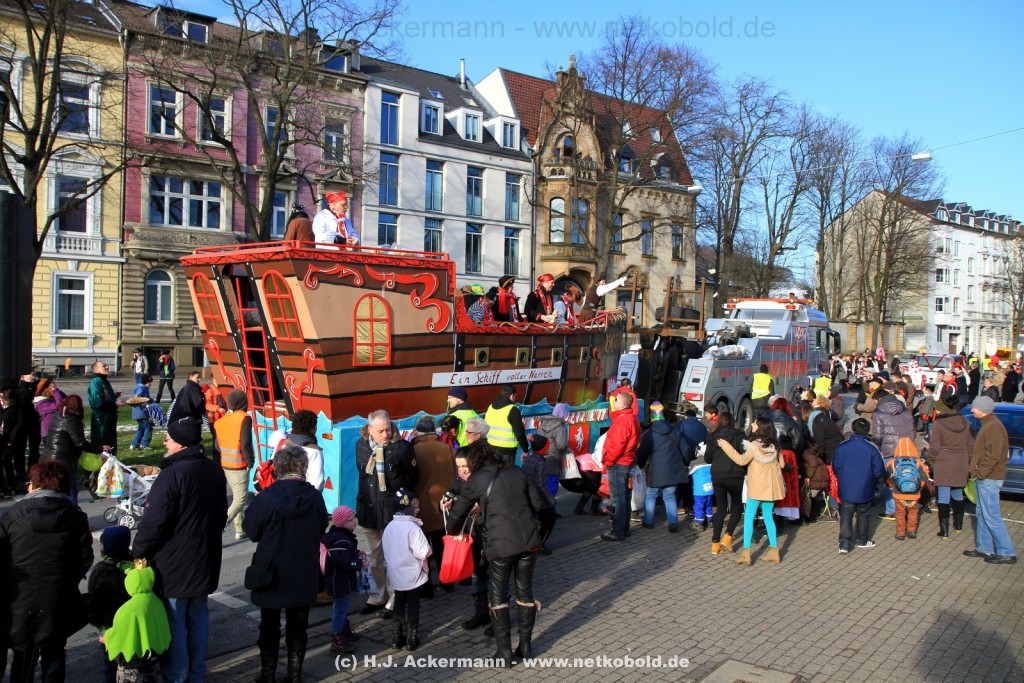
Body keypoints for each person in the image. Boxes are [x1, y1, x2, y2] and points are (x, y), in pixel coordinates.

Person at [132, 416, 228, 683]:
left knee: (175, 622)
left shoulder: (172, 474)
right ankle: (195, 673)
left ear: (181, 444)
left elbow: (154, 522)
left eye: (168, 438)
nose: (165, 442)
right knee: (198, 619)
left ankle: (177, 675)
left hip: (175, 562)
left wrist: (139, 551)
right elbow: (221, 514)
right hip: (205, 556)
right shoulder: (213, 470)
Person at [445, 441, 547, 666]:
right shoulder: (516, 471)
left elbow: (459, 511)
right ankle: (526, 647)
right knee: (525, 593)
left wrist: (452, 531)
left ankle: (504, 652)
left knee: (498, 596)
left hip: (501, 546)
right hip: (528, 541)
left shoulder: (478, 479)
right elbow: (538, 504)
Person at [0, 460, 93, 682]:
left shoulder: (12, 515)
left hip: (19, 596)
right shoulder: (75, 517)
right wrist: (68, 579)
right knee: (54, 649)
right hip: (58, 593)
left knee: (23, 652)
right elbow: (85, 558)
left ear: (35, 484)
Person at [243, 444, 329, 682]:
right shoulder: (314, 497)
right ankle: (294, 674)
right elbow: (321, 528)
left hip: (271, 568)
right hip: (303, 568)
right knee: (298, 625)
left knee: (269, 625)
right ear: (303, 467)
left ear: (278, 468)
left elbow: (252, 531)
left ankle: (267, 674)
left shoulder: (267, 497)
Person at [355, 409, 420, 615]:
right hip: (369, 510)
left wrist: (401, 498)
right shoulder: (361, 446)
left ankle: (394, 599)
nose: (386, 434)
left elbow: (412, 477)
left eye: (388, 429)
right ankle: (376, 596)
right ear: (370, 430)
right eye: (381, 431)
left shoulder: (402, 448)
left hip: (392, 511)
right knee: (373, 559)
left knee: (393, 559)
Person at [717, 418, 785, 565]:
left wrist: (726, 446)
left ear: (760, 428)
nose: (752, 425)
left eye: (754, 423)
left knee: (749, 518)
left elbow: (741, 460)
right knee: (768, 517)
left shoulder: (753, 445)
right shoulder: (775, 446)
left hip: (757, 487)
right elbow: (783, 465)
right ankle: (774, 552)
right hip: (771, 488)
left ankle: (746, 554)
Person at [963, 396, 1018, 564]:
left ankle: (1006, 551)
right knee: (982, 513)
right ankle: (984, 547)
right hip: (987, 477)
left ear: (982, 409)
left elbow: (993, 456)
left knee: (991, 516)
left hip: (990, 478)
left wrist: (981, 472)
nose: (972, 410)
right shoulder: (989, 424)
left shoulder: (993, 427)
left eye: (974, 408)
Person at [103, 563, 172, 683]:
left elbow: (120, 633)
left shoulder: (127, 608)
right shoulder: (157, 602)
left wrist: (107, 638)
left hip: (132, 663)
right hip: (153, 658)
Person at [382, 489, 432, 651]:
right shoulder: (412, 528)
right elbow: (423, 551)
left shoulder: (389, 526)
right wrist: (429, 549)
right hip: (412, 574)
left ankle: (397, 637)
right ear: (408, 507)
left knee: (398, 602)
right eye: (415, 506)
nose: (418, 509)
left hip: (396, 574)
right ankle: (412, 638)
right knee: (413, 604)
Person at [410, 416, 456, 590]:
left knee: (421, 549)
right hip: (443, 507)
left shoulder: (413, 451)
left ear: (417, 432)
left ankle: (426, 586)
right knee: (441, 546)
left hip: (421, 506)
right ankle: (447, 582)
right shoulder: (447, 449)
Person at [86, 526, 134, 683]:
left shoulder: (101, 570)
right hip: (131, 626)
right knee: (132, 663)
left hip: (109, 628)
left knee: (110, 665)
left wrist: (98, 623)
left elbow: (95, 601)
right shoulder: (134, 566)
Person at [41, 393, 108, 506]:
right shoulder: (71, 419)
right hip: (63, 461)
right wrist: (100, 449)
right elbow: (80, 442)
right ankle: (73, 513)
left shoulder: (58, 415)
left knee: (55, 491)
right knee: (71, 491)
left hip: (49, 458)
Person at [832, 418, 886, 553]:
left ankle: (844, 544)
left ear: (853, 429)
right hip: (865, 487)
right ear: (867, 431)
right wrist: (872, 480)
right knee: (863, 513)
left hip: (846, 486)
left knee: (846, 514)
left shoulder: (842, 446)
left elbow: (835, 466)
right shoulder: (872, 448)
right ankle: (862, 540)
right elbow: (879, 470)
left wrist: (843, 477)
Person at [635, 402, 688, 532]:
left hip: (656, 471)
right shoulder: (674, 431)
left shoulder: (649, 434)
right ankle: (673, 522)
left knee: (651, 495)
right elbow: (685, 449)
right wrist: (685, 462)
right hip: (673, 470)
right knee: (670, 496)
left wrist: (639, 465)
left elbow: (642, 453)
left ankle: (648, 521)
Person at [322, 506, 366, 654]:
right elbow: (342, 561)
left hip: (342, 580)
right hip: (338, 581)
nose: (355, 522)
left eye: (354, 518)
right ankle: (337, 637)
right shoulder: (341, 539)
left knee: (343, 607)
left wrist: (357, 553)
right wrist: (359, 564)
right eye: (350, 520)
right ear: (341, 523)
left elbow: (346, 553)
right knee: (340, 608)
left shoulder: (343, 537)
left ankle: (344, 630)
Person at [927, 401, 974, 538]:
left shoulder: (939, 424)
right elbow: (971, 445)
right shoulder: (965, 422)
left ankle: (944, 530)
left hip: (944, 461)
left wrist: (930, 459)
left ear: (941, 410)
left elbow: (935, 447)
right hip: (961, 461)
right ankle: (958, 525)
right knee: (958, 493)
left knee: (943, 496)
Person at [600, 390, 640, 542]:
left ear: (622, 404)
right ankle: (624, 528)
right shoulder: (632, 418)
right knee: (624, 497)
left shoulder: (622, 421)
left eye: (616, 400)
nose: (614, 402)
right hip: (626, 461)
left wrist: (609, 461)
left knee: (618, 499)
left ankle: (617, 531)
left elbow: (617, 445)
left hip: (618, 462)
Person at [704, 411, 747, 554]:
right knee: (737, 506)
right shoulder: (739, 435)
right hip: (735, 474)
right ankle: (728, 536)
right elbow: (745, 454)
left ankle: (715, 543)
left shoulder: (712, 437)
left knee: (721, 508)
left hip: (717, 475)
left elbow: (708, 459)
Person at [217, 389, 256, 541]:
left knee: (236, 498)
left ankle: (239, 529)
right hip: (239, 465)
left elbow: (217, 445)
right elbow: (245, 443)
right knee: (240, 500)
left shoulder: (222, 421)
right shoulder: (244, 418)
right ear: (244, 403)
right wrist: (250, 462)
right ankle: (217, 527)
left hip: (226, 464)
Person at [871, 384, 914, 520]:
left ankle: (891, 510)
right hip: (906, 449)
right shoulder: (906, 411)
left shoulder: (878, 413)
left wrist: (877, 447)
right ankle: (905, 506)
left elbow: (877, 436)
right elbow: (913, 432)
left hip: (888, 450)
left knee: (889, 481)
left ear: (879, 399)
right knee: (904, 477)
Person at [268, 410, 326, 491]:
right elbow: (317, 483)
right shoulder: (314, 450)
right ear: (312, 429)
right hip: (300, 496)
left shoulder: (282, 444)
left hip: (278, 493)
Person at [520, 434, 558, 553]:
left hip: (527, 495)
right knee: (550, 519)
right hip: (536, 498)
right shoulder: (540, 463)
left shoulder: (530, 457)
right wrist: (550, 501)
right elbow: (541, 486)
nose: (549, 448)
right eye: (548, 446)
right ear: (542, 449)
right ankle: (540, 544)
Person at [887, 437, 930, 541]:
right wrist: (918, 487)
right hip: (914, 494)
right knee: (913, 512)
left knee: (900, 513)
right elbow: (925, 477)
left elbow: (887, 476)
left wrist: (891, 485)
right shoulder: (917, 462)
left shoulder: (893, 462)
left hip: (898, 493)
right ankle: (912, 531)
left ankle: (900, 533)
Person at [484, 385, 530, 463]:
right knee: (507, 471)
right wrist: (525, 449)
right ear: (512, 396)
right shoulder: (513, 410)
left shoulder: (490, 407)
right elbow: (519, 433)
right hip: (506, 452)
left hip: (490, 450)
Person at [536, 402, 570, 498]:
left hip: (540, 458)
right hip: (552, 459)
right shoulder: (559, 427)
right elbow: (561, 446)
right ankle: (549, 505)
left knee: (542, 484)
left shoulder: (542, 424)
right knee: (552, 486)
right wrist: (567, 444)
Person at [89, 360, 123, 452]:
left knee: (110, 441)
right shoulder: (96, 382)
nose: (107, 367)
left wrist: (114, 396)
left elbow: (105, 396)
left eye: (106, 365)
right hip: (101, 419)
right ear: (97, 370)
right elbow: (97, 402)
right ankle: (104, 460)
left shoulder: (104, 381)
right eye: (104, 366)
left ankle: (111, 459)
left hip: (109, 417)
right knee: (102, 441)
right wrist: (114, 403)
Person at [16, 370, 41, 471]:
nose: (33, 372)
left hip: (35, 421)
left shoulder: (38, 384)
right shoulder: (19, 386)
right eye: (29, 371)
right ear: (22, 376)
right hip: (21, 421)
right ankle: (20, 471)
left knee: (34, 448)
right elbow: (22, 399)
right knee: (20, 448)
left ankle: (32, 470)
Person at [34, 377, 66, 443]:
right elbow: (58, 406)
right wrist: (55, 391)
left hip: (56, 431)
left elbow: (65, 399)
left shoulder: (50, 400)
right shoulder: (41, 404)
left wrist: (57, 390)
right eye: (51, 386)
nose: (53, 387)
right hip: (49, 434)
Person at [131, 373, 155, 451]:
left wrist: (150, 400)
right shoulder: (142, 388)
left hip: (139, 412)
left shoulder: (142, 388)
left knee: (141, 428)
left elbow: (144, 398)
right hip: (141, 412)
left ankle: (134, 444)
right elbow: (138, 399)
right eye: (149, 382)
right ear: (145, 382)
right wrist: (146, 405)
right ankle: (145, 445)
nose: (151, 384)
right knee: (148, 427)